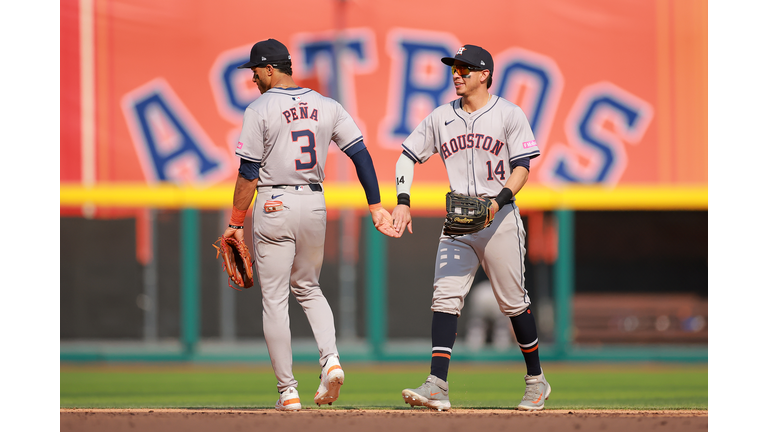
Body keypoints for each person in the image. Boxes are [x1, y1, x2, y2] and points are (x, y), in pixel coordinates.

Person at [222, 38, 397, 411]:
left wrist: (236, 222)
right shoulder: (326, 104)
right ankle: (330, 360)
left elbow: (249, 172)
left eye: (254, 71)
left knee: (274, 300)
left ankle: (288, 392)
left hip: (274, 203)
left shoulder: (259, 108)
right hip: (314, 204)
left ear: (270, 69)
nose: (252, 78)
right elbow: (360, 154)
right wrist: (376, 205)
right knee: (309, 287)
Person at [391, 44, 551, 411]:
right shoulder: (440, 117)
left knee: (513, 303)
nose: (457, 74)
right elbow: (406, 156)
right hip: (459, 221)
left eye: (465, 68)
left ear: (485, 75)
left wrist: (498, 202)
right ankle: (437, 385)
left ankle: (536, 380)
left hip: (499, 218)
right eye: (454, 68)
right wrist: (403, 200)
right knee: (444, 298)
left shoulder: (509, 114)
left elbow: (523, 166)